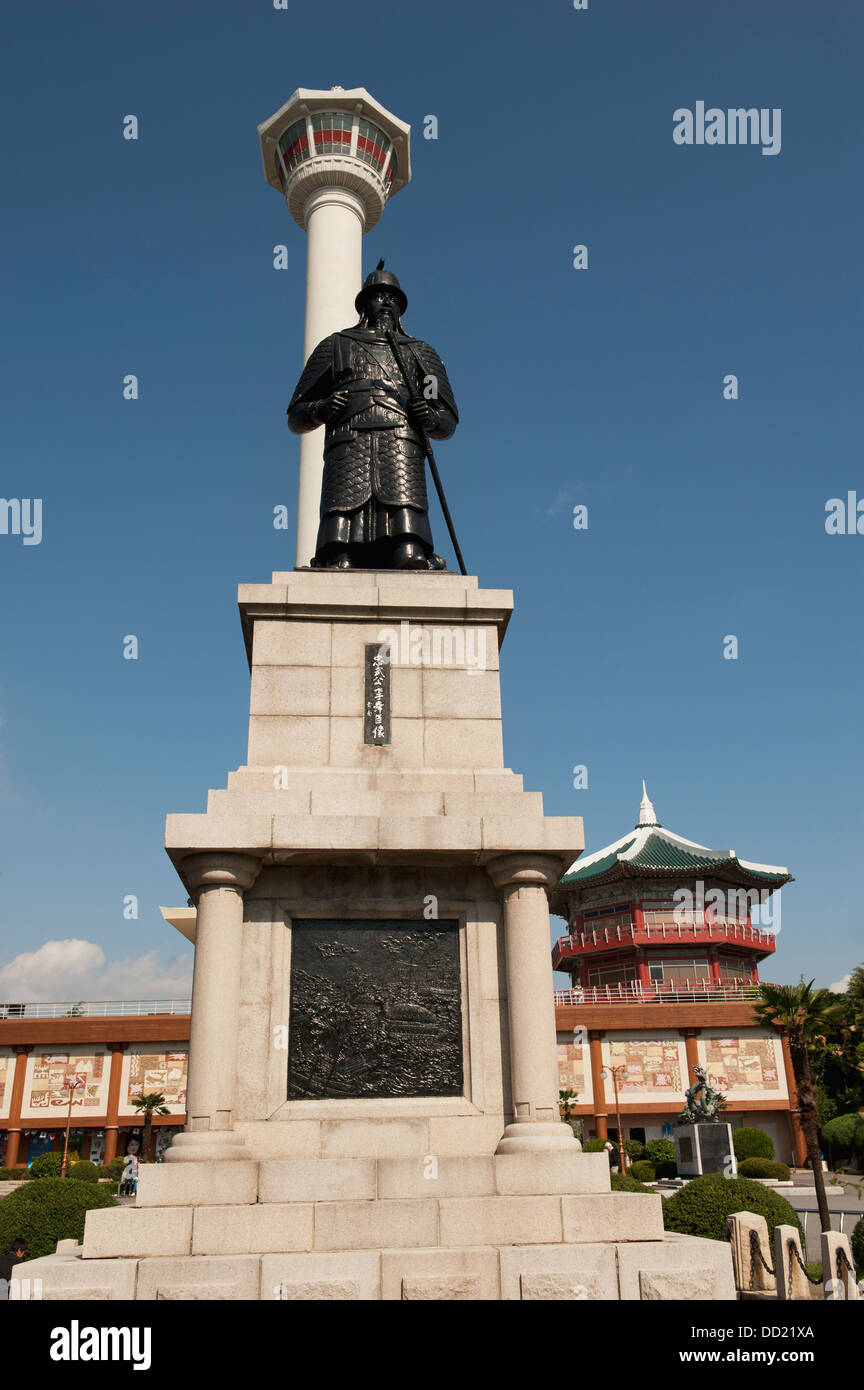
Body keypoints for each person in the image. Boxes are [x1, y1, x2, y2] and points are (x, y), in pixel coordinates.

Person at [287, 262, 459, 571]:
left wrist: (428, 416)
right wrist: (321, 409)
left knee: (407, 536)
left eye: (393, 298)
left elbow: (446, 419)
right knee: (341, 541)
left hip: (400, 444)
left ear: (401, 307)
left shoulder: (421, 353)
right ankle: (339, 548)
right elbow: (297, 416)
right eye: (379, 296)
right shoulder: (335, 346)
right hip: (349, 443)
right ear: (364, 303)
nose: (387, 304)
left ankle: (408, 545)